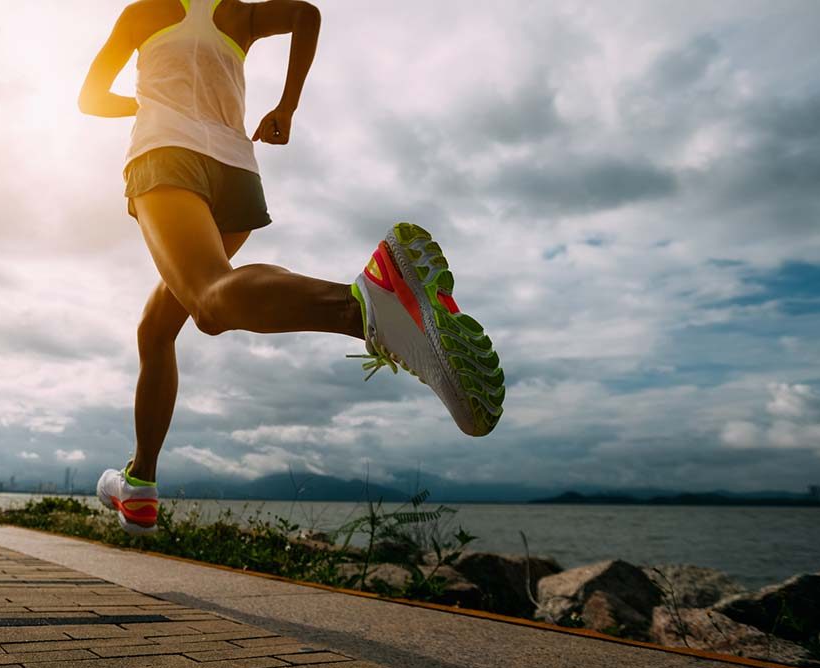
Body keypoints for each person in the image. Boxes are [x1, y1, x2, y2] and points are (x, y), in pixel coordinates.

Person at [79, 0, 504, 535]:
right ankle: (139, 482)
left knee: (210, 299)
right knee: (159, 327)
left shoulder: (148, 11)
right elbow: (306, 15)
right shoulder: (239, 14)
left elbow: (90, 98)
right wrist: (286, 108)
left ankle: (366, 307)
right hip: (236, 174)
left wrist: (144, 101)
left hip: (167, 156)